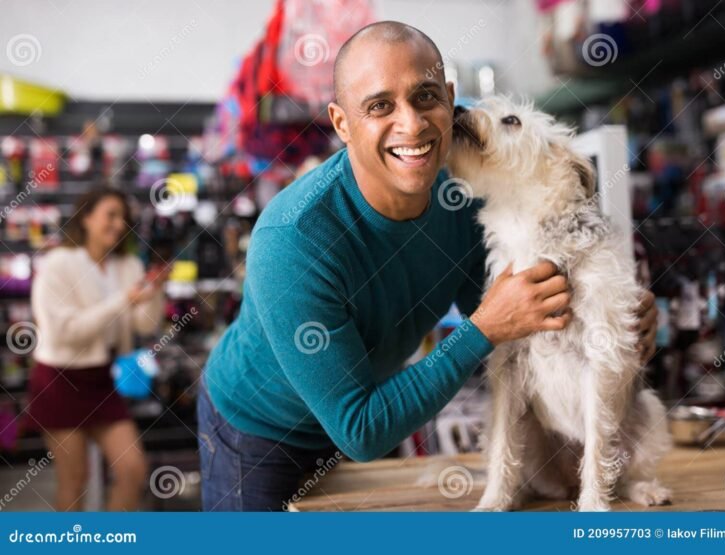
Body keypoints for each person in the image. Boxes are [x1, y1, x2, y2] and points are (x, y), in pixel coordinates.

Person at [198, 21, 659, 511]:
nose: (413, 124)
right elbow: (362, 429)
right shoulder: (293, 240)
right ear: (342, 123)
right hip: (260, 431)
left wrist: (609, 318)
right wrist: (482, 328)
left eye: (425, 97)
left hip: (356, 418)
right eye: (380, 106)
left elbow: (516, 313)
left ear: (450, 100)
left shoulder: (467, 186)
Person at [26, 187, 167, 511]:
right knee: (74, 479)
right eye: (111, 215)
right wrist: (124, 300)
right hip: (59, 380)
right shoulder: (58, 264)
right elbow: (64, 332)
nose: (119, 224)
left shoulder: (128, 264)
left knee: (132, 469)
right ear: (86, 218)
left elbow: (143, 326)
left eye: (123, 218)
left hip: (102, 380)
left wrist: (156, 291)